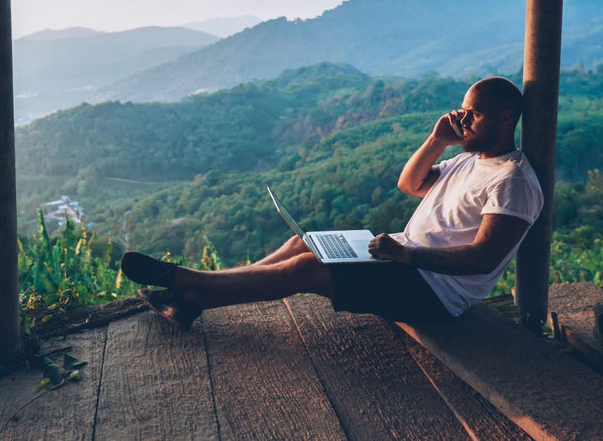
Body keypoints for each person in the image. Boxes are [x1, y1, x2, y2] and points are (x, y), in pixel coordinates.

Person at [120, 76, 544, 328]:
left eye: (474, 114)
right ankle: (190, 301)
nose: (463, 121)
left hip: (434, 293)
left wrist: (409, 255)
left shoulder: (513, 181)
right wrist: (437, 138)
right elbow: (410, 184)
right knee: (304, 245)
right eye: (462, 112)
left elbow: (483, 259)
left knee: (310, 267)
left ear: (506, 119)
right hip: (401, 258)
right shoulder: (468, 159)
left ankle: (188, 281)